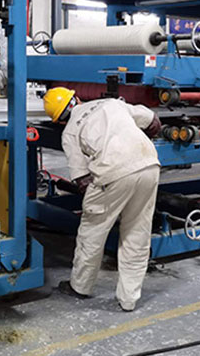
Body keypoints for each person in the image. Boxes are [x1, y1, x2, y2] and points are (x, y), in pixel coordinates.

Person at [43, 87, 162, 311]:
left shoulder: (69, 132)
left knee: (92, 231)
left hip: (112, 172)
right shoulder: (112, 103)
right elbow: (152, 120)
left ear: (58, 120)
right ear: (77, 98)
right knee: (137, 231)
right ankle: (128, 299)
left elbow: (81, 178)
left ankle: (80, 286)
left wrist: (98, 199)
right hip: (149, 164)